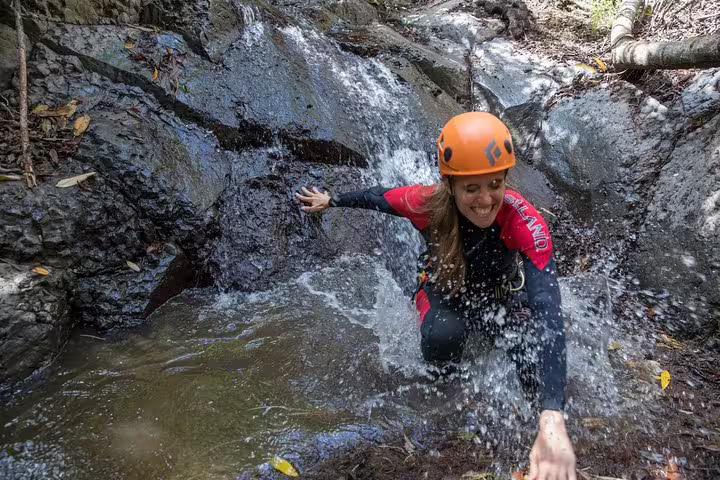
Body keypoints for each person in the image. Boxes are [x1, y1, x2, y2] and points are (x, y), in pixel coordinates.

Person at [296, 112, 576, 480]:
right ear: (450, 185)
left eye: (495, 184)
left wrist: (552, 416)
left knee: (533, 359)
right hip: (444, 292)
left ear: (507, 180)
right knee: (446, 338)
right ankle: (447, 402)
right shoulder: (426, 203)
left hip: (500, 297)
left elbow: (549, 314)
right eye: (471, 188)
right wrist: (331, 200)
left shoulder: (524, 222)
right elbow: (379, 197)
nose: (485, 199)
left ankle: (543, 441)